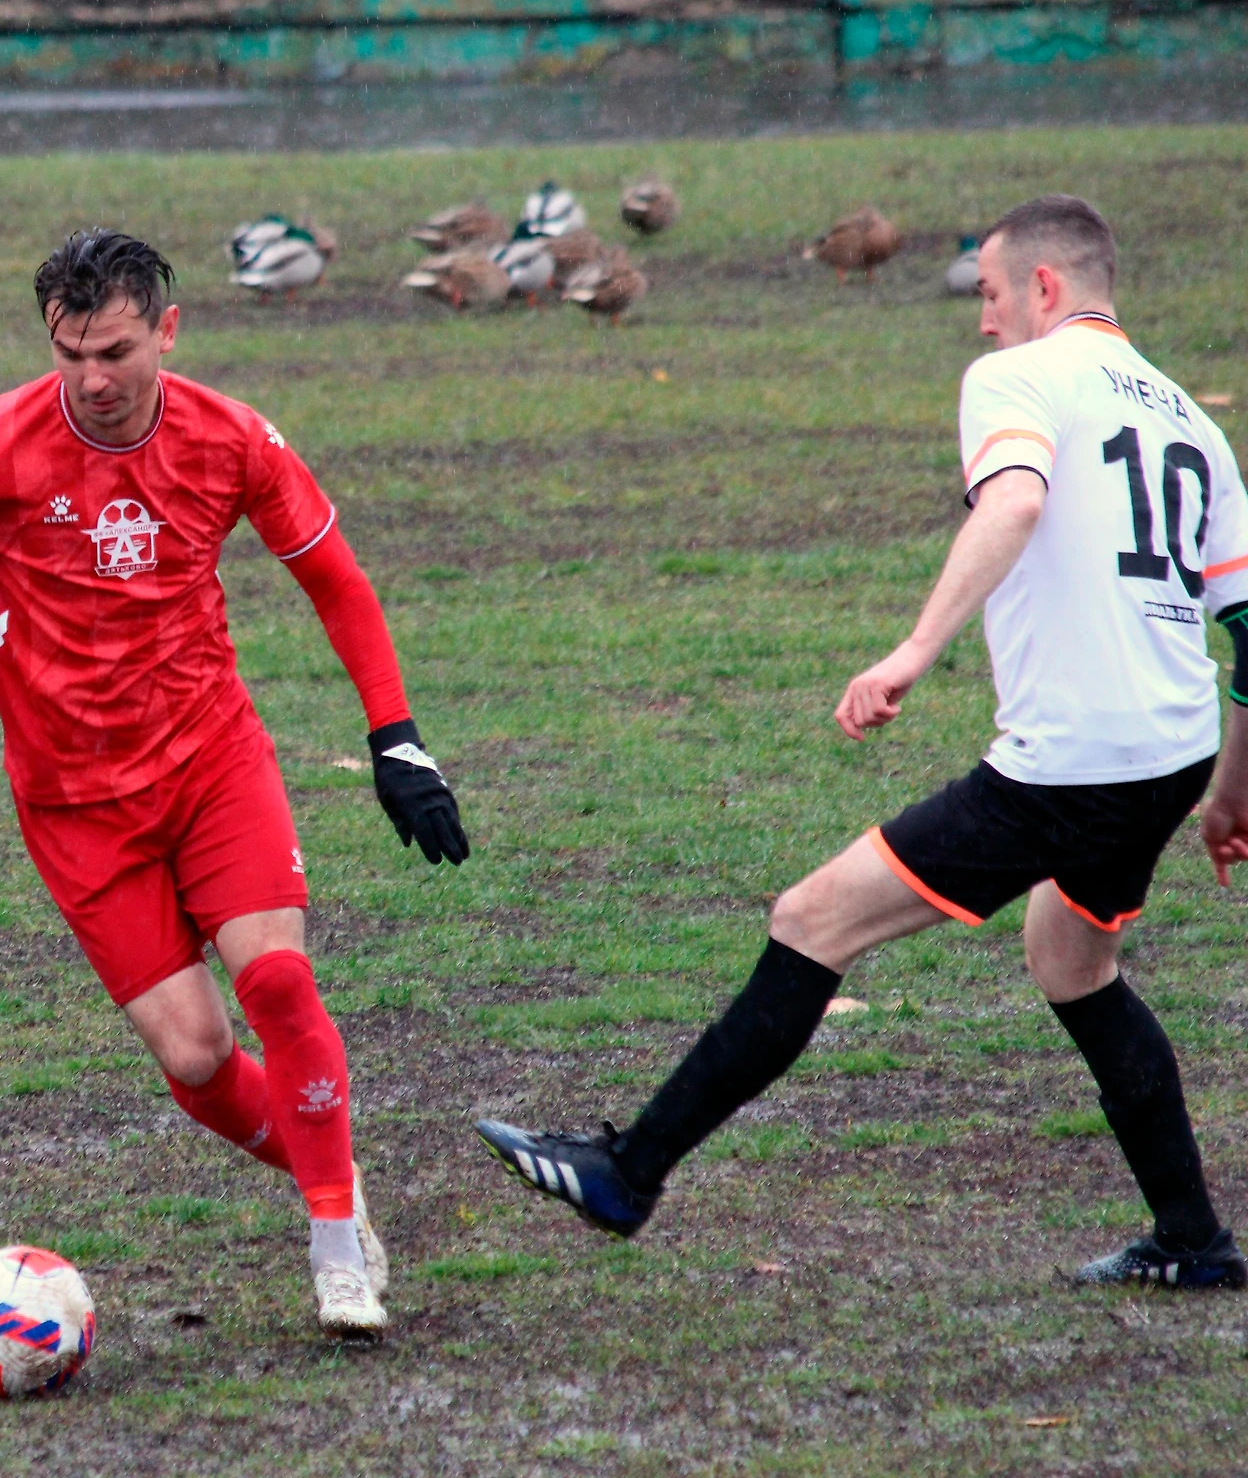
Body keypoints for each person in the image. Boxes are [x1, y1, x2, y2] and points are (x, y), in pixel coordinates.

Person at [477, 195, 1248, 1289]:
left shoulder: (1015, 378)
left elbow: (1016, 502)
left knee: (810, 917)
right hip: (1164, 752)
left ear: (1041, 289)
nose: (980, 321)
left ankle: (626, 1172)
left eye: (987, 293)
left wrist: (911, 648)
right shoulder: (1189, 416)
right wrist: (1227, 786)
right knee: (1073, 959)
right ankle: (1193, 1241)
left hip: (1071, 758)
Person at [0, 229, 471, 1337]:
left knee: (274, 985)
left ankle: (333, 1254)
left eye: (116, 348)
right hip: (72, 805)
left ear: (166, 330)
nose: (94, 378)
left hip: (212, 760)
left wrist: (396, 738)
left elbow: (336, 579)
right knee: (198, 1055)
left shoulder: (228, 437)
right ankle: (334, 1176)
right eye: (70, 353)